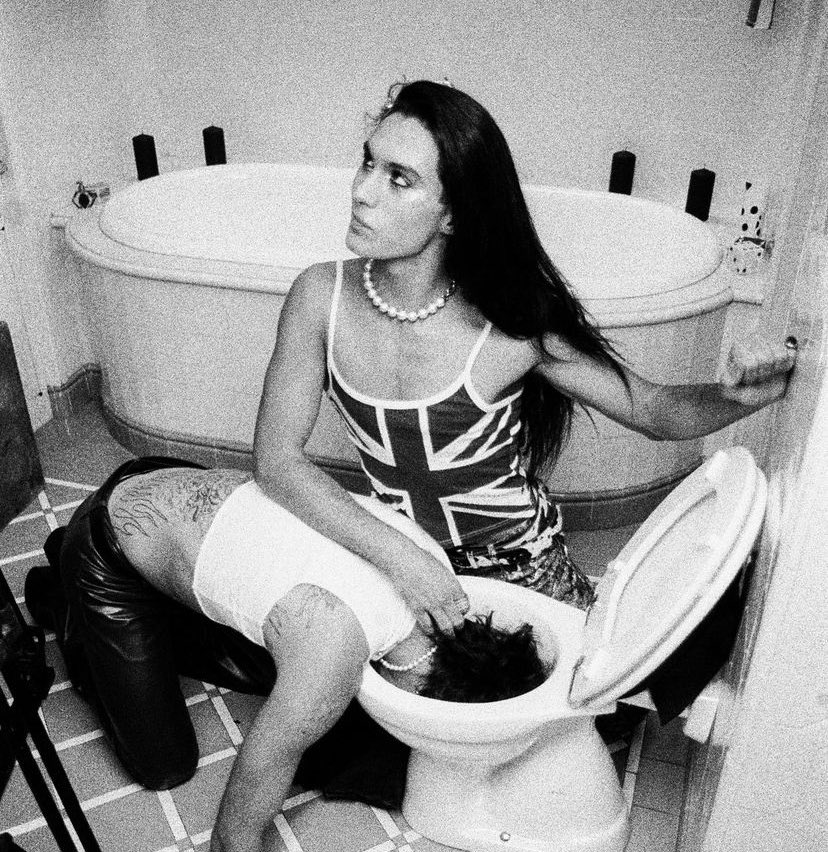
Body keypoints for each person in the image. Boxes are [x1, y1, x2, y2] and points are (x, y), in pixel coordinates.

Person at [251, 79, 797, 746]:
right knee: (388, 721)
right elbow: (277, 461)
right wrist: (402, 559)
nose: (362, 191)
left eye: (399, 178)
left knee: (589, 718)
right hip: (400, 556)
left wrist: (739, 395)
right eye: (368, 162)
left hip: (520, 567)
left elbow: (652, 408)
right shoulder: (319, 296)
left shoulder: (512, 322)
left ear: (453, 215)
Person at [25, 456, 550, 852]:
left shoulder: (433, 578)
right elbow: (234, 838)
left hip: (189, 492)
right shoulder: (330, 650)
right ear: (422, 691)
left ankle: (137, 577)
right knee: (163, 764)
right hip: (113, 540)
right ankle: (65, 598)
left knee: (271, 667)